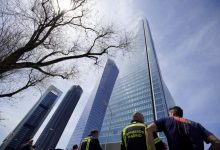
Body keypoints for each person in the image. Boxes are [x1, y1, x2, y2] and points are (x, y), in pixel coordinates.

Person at [147, 106, 220, 150]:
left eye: (169, 114)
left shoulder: (166, 120)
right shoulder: (197, 125)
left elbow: (148, 129)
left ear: (172, 113)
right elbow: (217, 143)